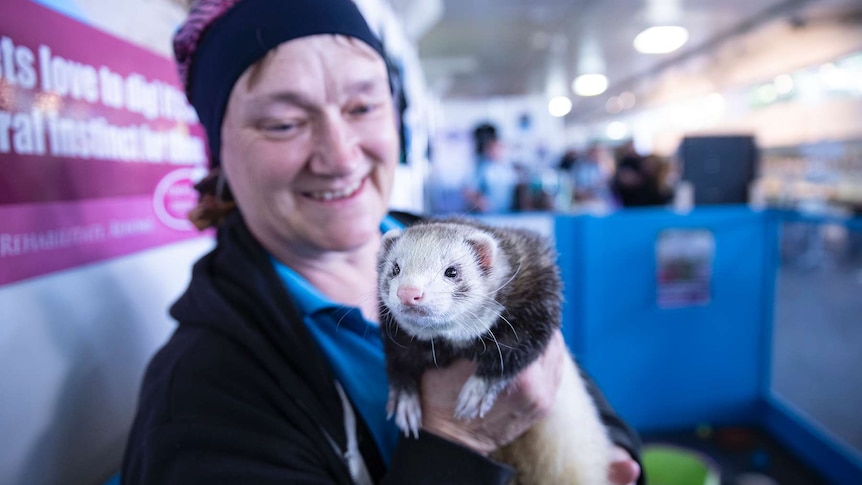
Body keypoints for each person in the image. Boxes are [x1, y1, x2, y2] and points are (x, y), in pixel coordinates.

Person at [121, 0, 644, 483]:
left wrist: (616, 455)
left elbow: (572, 389)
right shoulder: (199, 401)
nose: (342, 157)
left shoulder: (450, 245)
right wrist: (457, 441)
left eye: (363, 107)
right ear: (218, 155)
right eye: (283, 123)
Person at [463, 122, 520, 213]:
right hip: (487, 215)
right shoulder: (481, 167)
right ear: (486, 149)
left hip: (509, 214)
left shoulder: (509, 166)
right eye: (491, 148)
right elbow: (468, 190)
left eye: (498, 147)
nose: (495, 151)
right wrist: (480, 203)